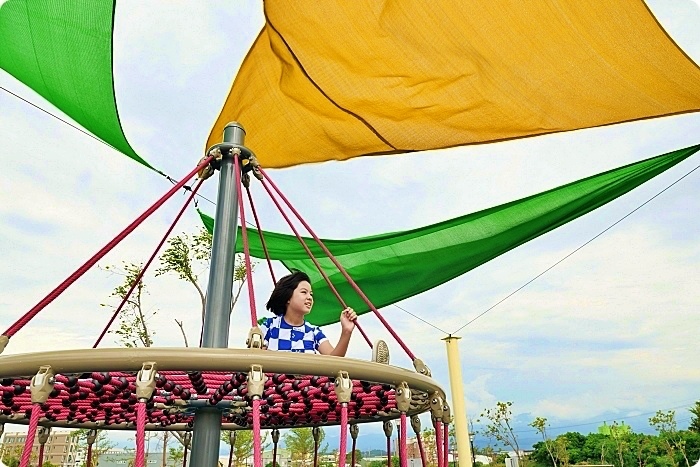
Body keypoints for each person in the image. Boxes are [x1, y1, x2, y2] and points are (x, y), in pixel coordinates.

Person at [259, 270, 357, 356]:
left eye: (311, 294)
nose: (309, 297)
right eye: (304, 292)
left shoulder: (313, 332)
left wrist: (346, 331)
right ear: (288, 297)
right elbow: (256, 359)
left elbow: (334, 360)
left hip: (306, 378)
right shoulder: (269, 326)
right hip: (275, 377)